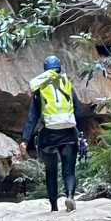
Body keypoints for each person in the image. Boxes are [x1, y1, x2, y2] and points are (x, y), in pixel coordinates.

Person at [21, 55, 88, 211]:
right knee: (69, 170)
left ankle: (53, 207)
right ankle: (70, 196)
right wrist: (80, 134)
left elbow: (33, 117)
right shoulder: (67, 85)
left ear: (45, 71)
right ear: (59, 69)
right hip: (69, 134)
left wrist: (25, 139)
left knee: (51, 171)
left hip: (48, 136)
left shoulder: (41, 88)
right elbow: (78, 112)